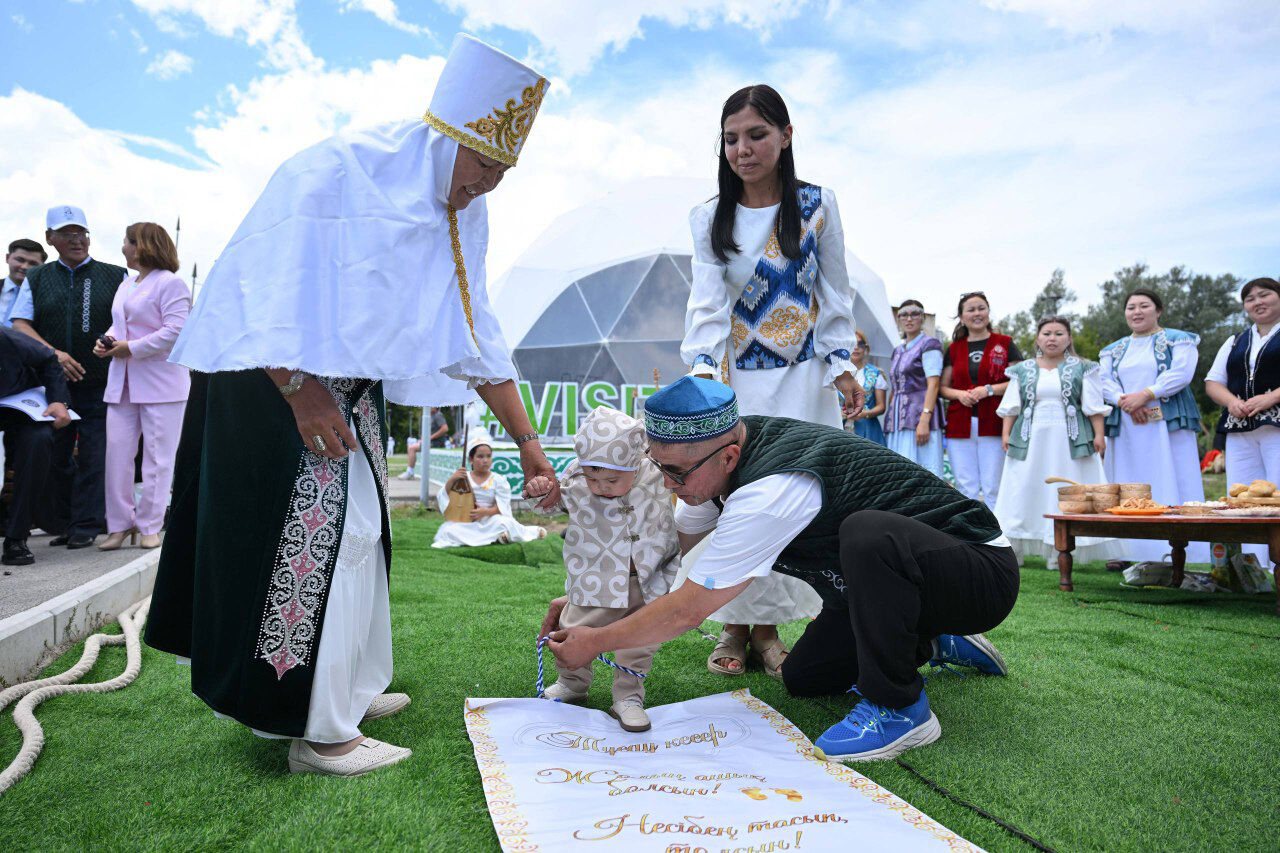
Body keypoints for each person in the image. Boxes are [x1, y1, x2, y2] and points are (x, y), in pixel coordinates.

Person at [144, 34, 560, 777]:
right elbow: (257, 280)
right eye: (486, 162)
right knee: (324, 540)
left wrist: (527, 441)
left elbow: (477, 333)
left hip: (343, 390)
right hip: (273, 380)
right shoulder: (339, 168)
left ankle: (348, 690)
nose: (491, 182)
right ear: (451, 139)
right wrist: (299, 390)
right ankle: (319, 732)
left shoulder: (460, 212)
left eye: (505, 169)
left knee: (365, 533)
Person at [538, 376, 1018, 762]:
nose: (666, 484)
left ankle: (901, 707)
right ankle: (931, 636)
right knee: (805, 678)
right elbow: (665, 553)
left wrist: (596, 642)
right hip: (902, 585)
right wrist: (593, 601)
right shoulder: (717, 465)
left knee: (867, 532)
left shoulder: (768, 488)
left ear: (727, 455)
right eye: (658, 468)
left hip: (977, 572)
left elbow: (688, 610)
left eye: (676, 473)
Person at [679, 84, 856, 679]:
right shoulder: (709, 217)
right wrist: (703, 374)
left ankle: (771, 628)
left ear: (785, 135)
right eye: (731, 138)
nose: (743, 149)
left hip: (805, 384)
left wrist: (842, 365)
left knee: (793, 502)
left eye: (756, 135)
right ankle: (733, 622)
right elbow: (705, 304)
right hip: (737, 388)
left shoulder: (817, 205)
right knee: (737, 503)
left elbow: (833, 293)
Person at [527, 407, 679, 732]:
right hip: (594, 577)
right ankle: (572, 683)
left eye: (612, 479)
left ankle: (628, 697)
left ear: (635, 462)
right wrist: (539, 492)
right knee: (573, 625)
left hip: (645, 578)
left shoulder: (657, 472)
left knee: (639, 639)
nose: (600, 486)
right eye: (592, 477)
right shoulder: (576, 478)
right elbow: (551, 502)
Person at [10, 206, 127, 548]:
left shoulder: (115, 275)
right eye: (67, 233)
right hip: (53, 384)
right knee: (55, 455)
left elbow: (126, 319)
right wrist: (54, 355)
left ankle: (86, 525)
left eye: (82, 233)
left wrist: (107, 341)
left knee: (94, 453)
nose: (77, 240)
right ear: (51, 238)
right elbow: (20, 324)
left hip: (102, 380)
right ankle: (63, 521)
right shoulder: (37, 278)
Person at [92, 223, 191, 551]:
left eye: (128, 241)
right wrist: (107, 341)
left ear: (144, 245)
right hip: (123, 383)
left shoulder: (171, 284)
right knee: (117, 454)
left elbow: (176, 330)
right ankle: (119, 525)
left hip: (162, 384)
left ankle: (150, 525)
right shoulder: (126, 285)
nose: (123, 247)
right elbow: (120, 324)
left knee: (158, 458)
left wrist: (130, 348)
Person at [993, 317, 1116, 563]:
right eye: (1047, 333)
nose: (1052, 338)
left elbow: (1093, 405)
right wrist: (1006, 433)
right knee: (1025, 486)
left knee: (1063, 489)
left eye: (1059, 333)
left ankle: (1060, 547)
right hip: (1031, 436)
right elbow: (1011, 406)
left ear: (1069, 338)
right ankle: (1017, 544)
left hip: (1068, 438)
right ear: (1038, 338)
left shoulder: (1084, 368)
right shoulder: (1023, 369)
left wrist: (1099, 435)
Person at [1099, 288, 1206, 563]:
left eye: (1144, 306)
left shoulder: (1178, 340)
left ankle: (1180, 548)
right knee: (1127, 479)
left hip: (1165, 423)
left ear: (1158, 310)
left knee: (1173, 473)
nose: (1136, 311)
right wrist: (1125, 401)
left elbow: (1181, 373)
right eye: (1131, 307)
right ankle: (1126, 550)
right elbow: (1104, 381)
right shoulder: (1114, 349)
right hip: (1127, 426)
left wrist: (1145, 395)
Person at [1205, 277, 1280, 568]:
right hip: (1239, 429)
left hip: (1276, 426)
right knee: (1243, 497)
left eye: (1265, 295)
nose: (1258, 302)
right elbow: (1213, 382)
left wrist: (1271, 397)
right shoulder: (1235, 340)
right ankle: (1253, 568)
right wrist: (1231, 402)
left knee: (1277, 493)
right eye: (1251, 298)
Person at [939, 293, 1018, 508]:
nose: (977, 314)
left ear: (989, 312)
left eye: (981, 308)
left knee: (993, 485)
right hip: (960, 424)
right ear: (962, 317)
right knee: (966, 486)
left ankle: (999, 535)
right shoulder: (954, 348)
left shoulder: (1005, 343)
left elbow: (1020, 381)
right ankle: (973, 535)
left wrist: (989, 390)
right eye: (971, 310)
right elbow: (943, 388)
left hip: (995, 422)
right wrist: (959, 394)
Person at [0, 327, 72, 565]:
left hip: (19, 406)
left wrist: (57, 400)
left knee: (39, 440)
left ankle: (16, 537)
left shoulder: (7, 337)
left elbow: (48, 359)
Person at [432, 435, 546, 547]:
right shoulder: (462, 477)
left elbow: (503, 506)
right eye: (480, 456)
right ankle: (498, 537)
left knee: (504, 522)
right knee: (448, 530)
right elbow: (444, 497)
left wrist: (485, 512)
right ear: (471, 459)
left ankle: (529, 532)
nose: (485, 460)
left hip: (490, 520)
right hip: (467, 522)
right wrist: (452, 480)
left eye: (488, 456)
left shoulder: (498, 480)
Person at [886, 299, 944, 476]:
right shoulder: (897, 350)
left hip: (919, 415)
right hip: (897, 419)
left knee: (923, 469)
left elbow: (933, 383)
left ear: (923, 318)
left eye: (914, 314)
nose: (909, 318)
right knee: (899, 470)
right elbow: (895, 387)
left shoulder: (929, 344)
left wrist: (924, 420)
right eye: (903, 314)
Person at [844, 330, 887, 444]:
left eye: (860, 344)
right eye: (852, 343)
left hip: (868, 430)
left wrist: (865, 414)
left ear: (866, 349)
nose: (856, 347)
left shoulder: (876, 373)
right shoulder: (836, 374)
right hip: (838, 427)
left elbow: (881, 406)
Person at [2, 239, 46, 327]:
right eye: (20, 260)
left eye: (33, 263)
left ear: (42, 266)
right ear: (7, 258)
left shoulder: (47, 297)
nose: (25, 267)